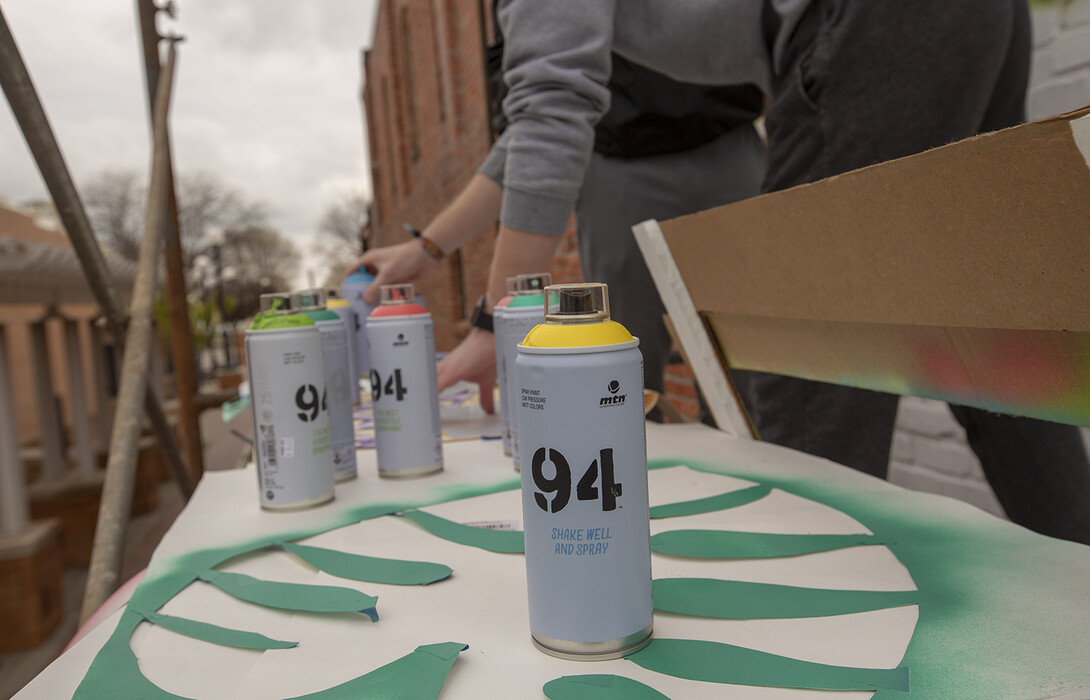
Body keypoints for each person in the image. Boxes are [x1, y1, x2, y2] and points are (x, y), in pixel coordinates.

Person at [359, 0, 1090, 544]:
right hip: (983, 18)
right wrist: (426, 250)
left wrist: (498, 321)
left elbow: (551, 108)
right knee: (992, 332)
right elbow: (533, 127)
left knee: (803, 368)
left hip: (868, 21)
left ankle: (824, 652)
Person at [354, 49, 765, 416]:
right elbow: (541, 126)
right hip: (616, 161)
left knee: (758, 382)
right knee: (625, 383)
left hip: (732, 142)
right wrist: (431, 249)